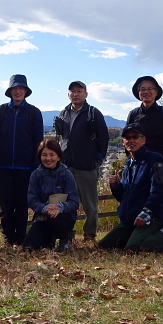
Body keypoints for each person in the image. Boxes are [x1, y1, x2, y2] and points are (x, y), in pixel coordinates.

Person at [98, 123, 163, 253]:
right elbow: (124, 197)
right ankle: (135, 236)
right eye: (127, 137)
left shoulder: (155, 160)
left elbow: (160, 191)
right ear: (123, 141)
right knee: (105, 245)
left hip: (152, 217)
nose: (131, 140)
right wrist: (115, 186)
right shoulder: (129, 164)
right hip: (131, 219)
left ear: (143, 140)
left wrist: (147, 213)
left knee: (135, 248)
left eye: (135, 137)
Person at [127, 76, 163, 239]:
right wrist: (129, 162)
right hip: (139, 164)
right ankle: (144, 229)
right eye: (142, 89)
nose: (146, 92)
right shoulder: (133, 114)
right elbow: (128, 137)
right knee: (140, 195)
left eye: (150, 89)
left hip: (159, 163)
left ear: (156, 92)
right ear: (138, 93)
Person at [54, 81, 109, 242]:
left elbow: (103, 138)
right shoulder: (64, 113)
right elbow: (61, 138)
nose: (75, 94)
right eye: (72, 91)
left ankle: (90, 234)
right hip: (65, 166)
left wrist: (97, 160)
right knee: (65, 202)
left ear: (86, 94)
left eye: (79, 91)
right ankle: (66, 234)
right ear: (68, 94)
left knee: (90, 205)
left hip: (86, 166)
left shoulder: (93, 113)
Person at [0, 74, 44, 246]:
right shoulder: (0, 111)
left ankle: (21, 237)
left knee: (22, 203)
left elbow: (38, 141)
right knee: (6, 203)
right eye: (15, 88)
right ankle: (8, 236)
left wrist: (34, 166)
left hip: (25, 167)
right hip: (3, 165)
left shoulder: (33, 113)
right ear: (10, 91)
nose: (18, 91)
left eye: (21, 88)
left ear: (26, 91)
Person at [23, 138, 80, 252]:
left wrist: (59, 207)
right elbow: (32, 200)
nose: (48, 158)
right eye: (44, 155)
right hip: (43, 216)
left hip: (64, 216)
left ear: (58, 157)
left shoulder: (66, 174)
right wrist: (45, 208)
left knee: (56, 218)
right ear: (40, 156)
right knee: (29, 247)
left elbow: (74, 202)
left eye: (52, 155)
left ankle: (66, 238)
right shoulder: (36, 175)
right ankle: (49, 240)